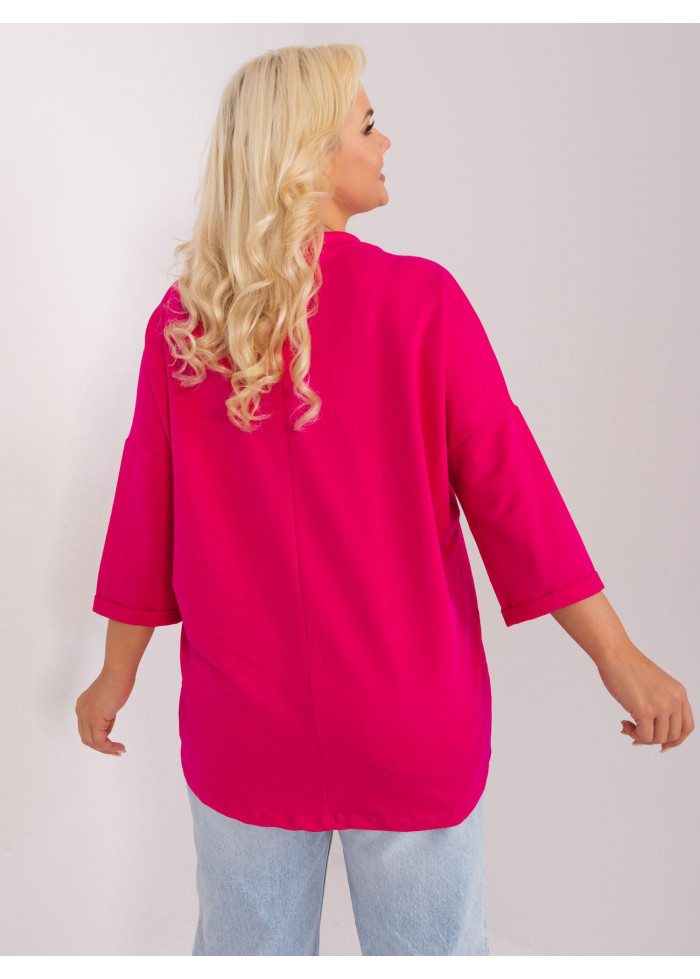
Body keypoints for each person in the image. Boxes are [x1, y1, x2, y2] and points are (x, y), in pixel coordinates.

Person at [75, 43, 694, 956]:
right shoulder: (421, 302)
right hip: (410, 722)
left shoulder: (188, 325)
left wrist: (115, 673)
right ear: (310, 156)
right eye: (367, 125)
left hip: (245, 727)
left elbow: (143, 515)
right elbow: (514, 497)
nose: (385, 141)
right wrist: (619, 657)